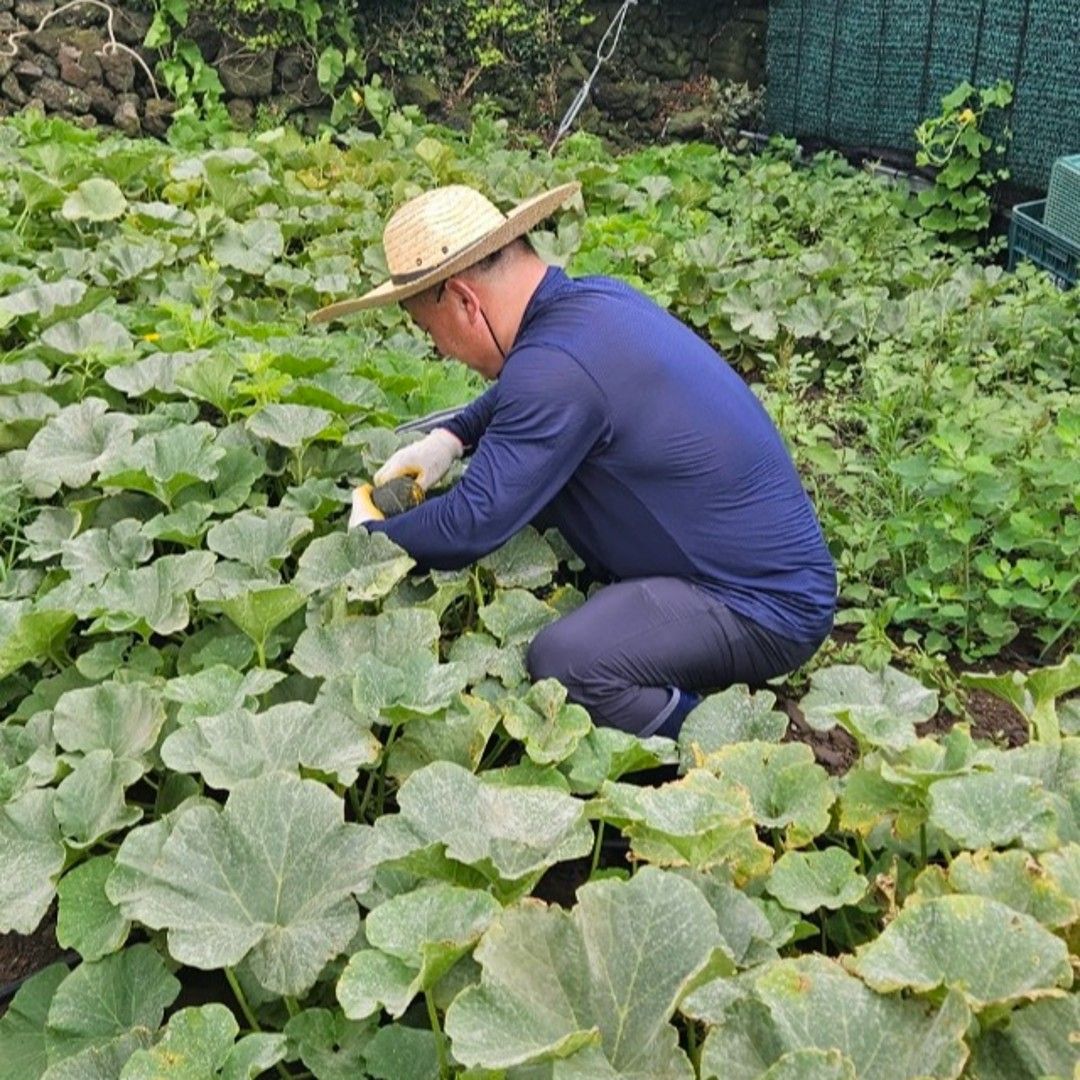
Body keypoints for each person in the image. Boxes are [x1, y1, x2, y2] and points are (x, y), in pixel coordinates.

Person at [311, 182, 836, 739]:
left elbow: (472, 522)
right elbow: (522, 393)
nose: (439, 350)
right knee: (530, 476)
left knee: (568, 664)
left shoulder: (553, 369)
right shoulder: (590, 304)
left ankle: (715, 735)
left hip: (766, 607)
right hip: (757, 565)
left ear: (465, 302)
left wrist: (373, 537)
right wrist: (449, 436)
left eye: (428, 330)